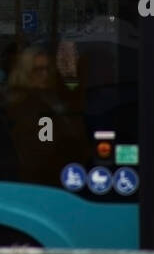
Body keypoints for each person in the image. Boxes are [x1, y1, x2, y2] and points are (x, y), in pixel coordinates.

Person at [6, 45, 92, 184]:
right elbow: (45, 148)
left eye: (47, 69)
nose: (45, 75)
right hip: (47, 181)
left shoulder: (51, 98)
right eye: (38, 70)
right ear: (25, 73)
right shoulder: (31, 106)